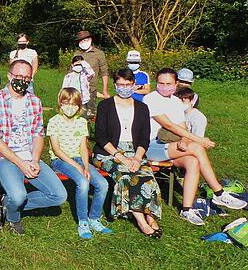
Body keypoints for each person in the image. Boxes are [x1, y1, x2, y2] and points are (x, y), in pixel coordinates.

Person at [143, 68, 245, 224]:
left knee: (193, 161)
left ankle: (187, 210)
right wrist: (198, 140)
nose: (164, 87)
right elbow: (169, 125)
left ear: (176, 84)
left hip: (170, 146)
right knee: (197, 148)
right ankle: (218, 193)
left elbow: (182, 126)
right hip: (151, 146)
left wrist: (185, 138)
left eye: (168, 83)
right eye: (160, 83)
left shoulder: (176, 101)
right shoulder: (151, 99)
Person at [0, 59, 67, 235]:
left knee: (59, 195)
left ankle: (7, 204)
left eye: (27, 77)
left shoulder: (34, 101)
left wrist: (35, 160)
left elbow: (38, 133)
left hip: (30, 155)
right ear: (9, 76)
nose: (23, 81)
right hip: (5, 158)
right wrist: (22, 164)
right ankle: (14, 216)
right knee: (19, 196)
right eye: (19, 76)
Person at [92, 68, 162, 237]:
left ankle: (149, 214)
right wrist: (121, 157)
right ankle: (142, 221)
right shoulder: (105, 106)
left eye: (128, 84)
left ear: (134, 85)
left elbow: (144, 138)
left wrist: (137, 158)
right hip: (108, 152)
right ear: (115, 85)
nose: (124, 87)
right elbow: (100, 137)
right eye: (120, 84)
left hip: (134, 150)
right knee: (127, 176)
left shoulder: (142, 108)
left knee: (146, 175)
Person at [47, 87, 112, 239]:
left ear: (79, 106)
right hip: (60, 161)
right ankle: (83, 222)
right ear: (60, 103)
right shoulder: (54, 122)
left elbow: (83, 147)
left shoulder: (82, 122)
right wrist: (77, 167)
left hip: (79, 159)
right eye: (66, 103)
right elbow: (57, 150)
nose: (70, 107)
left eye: (74, 104)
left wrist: (87, 166)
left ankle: (94, 218)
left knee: (103, 184)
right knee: (83, 183)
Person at [74, 31, 109, 117]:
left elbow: (104, 72)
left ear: (90, 39)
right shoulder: (76, 54)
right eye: (81, 41)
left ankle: (89, 129)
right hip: (77, 89)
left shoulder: (99, 54)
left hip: (91, 90)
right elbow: (71, 71)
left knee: (89, 115)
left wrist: (105, 89)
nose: (83, 42)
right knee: (76, 114)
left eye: (85, 40)